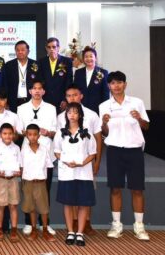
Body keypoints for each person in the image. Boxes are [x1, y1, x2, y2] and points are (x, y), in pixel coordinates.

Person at [99, 71, 150, 241]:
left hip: (134, 149)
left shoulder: (137, 102)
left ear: (125, 84)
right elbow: (104, 132)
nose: (117, 86)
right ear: (109, 86)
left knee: (137, 188)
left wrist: (139, 118)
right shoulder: (104, 105)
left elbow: (146, 126)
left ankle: (139, 226)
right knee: (115, 188)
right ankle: (116, 224)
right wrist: (104, 122)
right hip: (114, 150)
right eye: (113, 83)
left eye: (120, 82)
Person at [59, 84, 103, 234]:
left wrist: (97, 161)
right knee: (70, 195)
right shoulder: (61, 117)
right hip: (68, 164)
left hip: (86, 162)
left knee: (85, 194)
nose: (72, 98)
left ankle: (86, 223)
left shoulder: (92, 114)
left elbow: (98, 139)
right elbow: (58, 142)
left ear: (81, 96)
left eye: (75, 95)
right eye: (69, 96)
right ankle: (73, 224)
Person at [16, 80, 57, 235]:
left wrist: (47, 132)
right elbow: (19, 130)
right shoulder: (21, 108)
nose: (37, 91)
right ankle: (29, 222)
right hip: (27, 153)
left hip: (45, 153)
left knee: (44, 190)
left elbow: (55, 131)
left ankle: (44, 223)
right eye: (34, 88)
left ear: (44, 91)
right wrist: (28, 133)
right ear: (30, 91)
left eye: (40, 88)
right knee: (28, 191)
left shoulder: (51, 108)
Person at [54, 103, 97, 247]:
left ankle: (80, 233)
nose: (72, 115)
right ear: (66, 115)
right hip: (67, 173)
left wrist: (81, 163)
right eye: (69, 112)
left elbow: (92, 153)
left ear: (80, 115)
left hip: (83, 173)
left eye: (75, 112)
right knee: (68, 202)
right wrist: (66, 161)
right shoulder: (60, 133)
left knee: (83, 203)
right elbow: (57, 151)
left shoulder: (87, 133)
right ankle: (70, 231)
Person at [20, 124, 56, 242]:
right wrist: (23, 182)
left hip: (41, 182)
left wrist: (45, 180)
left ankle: (45, 230)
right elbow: (21, 167)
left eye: (35, 134)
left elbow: (49, 166)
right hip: (28, 182)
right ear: (26, 136)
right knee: (31, 207)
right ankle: (34, 229)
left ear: (39, 136)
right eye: (30, 134)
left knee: (43, 208)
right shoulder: (23, 150)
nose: (33, 137)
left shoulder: (44, 149)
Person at [0, 123, 21, 242]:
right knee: (0, 206)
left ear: (13, 135)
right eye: (5, 133)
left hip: (13, 180)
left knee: (13, 206)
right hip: (0, 180)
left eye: (10, 133)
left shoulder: (17, 148)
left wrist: (18, 172)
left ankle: (14, 230)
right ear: (0, 135)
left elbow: (20, 165)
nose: (7, 136)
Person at [3, 40, 39, 112]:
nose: (20, 52)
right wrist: (5, 100)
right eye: (17, 50)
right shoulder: (9, 65)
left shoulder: (35, 64)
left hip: (31, 100)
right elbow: (5, 85)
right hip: (13, 102)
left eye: (22, 50)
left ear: (28, 51)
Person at [38, 37, 73, 111]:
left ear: (58, 48)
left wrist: (66, 99)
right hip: (45, 101)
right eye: (49, 47)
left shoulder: (67, 62)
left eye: (54, 47)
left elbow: (69, 82)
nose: (51, 49)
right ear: (46, 49)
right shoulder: (41, 62)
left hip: (61, 102)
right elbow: (40, 81)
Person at [74, 46, 109, 112]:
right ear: (83, 59)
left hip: (97, 108)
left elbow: (106, 93)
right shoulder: (78, 72)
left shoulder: (103, 72)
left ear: (95, 58)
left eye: (91, 56)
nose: (88, 59)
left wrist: (104, 109)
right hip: (81, 107)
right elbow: (76, 90)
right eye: (86, 57)